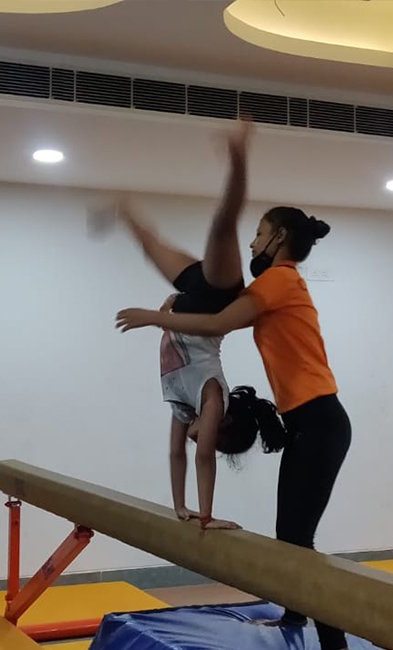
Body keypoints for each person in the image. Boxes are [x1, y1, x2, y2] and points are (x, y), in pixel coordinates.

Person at [116, 207, 351, 650]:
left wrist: (156, 317)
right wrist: (177, 305)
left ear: (279, 237)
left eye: (259, 233)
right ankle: (295, 612)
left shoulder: (280, 280)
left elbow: (217, 322)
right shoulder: (275, 286)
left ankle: (332, 640)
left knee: (296, 537)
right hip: (306, 423)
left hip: (321, 420)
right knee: (290, 537)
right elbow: (215, 319)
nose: (252, 242)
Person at [113, 121, 269, 530]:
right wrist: (207, 517)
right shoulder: (213, 397)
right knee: (222, 225)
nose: (201, 439)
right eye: (213, 439)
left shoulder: (184, 406)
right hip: (218, 294)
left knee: (148, 243)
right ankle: (238, 152)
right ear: (224, 424)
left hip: (187, 295)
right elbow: (200, 459)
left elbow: (175, 454)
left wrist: (181, 508)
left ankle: (119, 205)